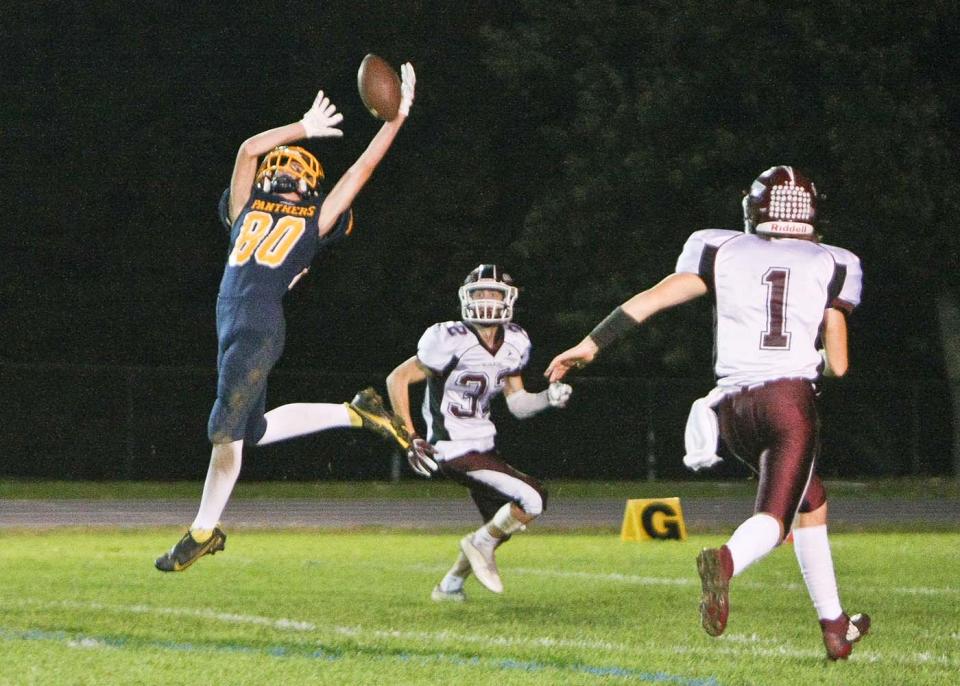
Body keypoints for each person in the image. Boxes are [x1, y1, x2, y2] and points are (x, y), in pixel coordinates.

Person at [545, 166, 870, 660]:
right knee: (774, 521)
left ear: (753, 208)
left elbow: (652, 299)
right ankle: (725, 560)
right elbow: (840, 365)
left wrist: (591, 344)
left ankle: (835, 627)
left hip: (732, 411)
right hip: (788, 403)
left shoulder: (718, 247)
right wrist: (811, 356)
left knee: (812, 500)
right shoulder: (836, 262)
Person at [155, 66, 417, 572]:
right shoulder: (242, 210)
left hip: (257, 328)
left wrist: (395, 120)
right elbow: (249, 150)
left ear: (311, 184)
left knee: (223, 430)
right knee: (248, 432)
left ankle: (202, 531)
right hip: (231, 329)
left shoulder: (314, 220)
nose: (288, 171)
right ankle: (357, 411)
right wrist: (303, 127)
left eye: (298, 168)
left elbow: (360, 171)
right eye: (287, 164)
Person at [384, 264, 572, 600]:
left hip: (483, 447)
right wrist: (410, 436)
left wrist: (547, 398)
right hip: (451, 448)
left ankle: (450, 586)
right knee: (533, 497)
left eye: (493, 293)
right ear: (465, 298)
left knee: (501, 527)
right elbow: (396, 379)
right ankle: (476, 546)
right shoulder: (449, 339)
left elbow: (517, 405)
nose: (486, 299)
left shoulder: (515, 340)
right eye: (479, 292)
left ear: (508, 299)